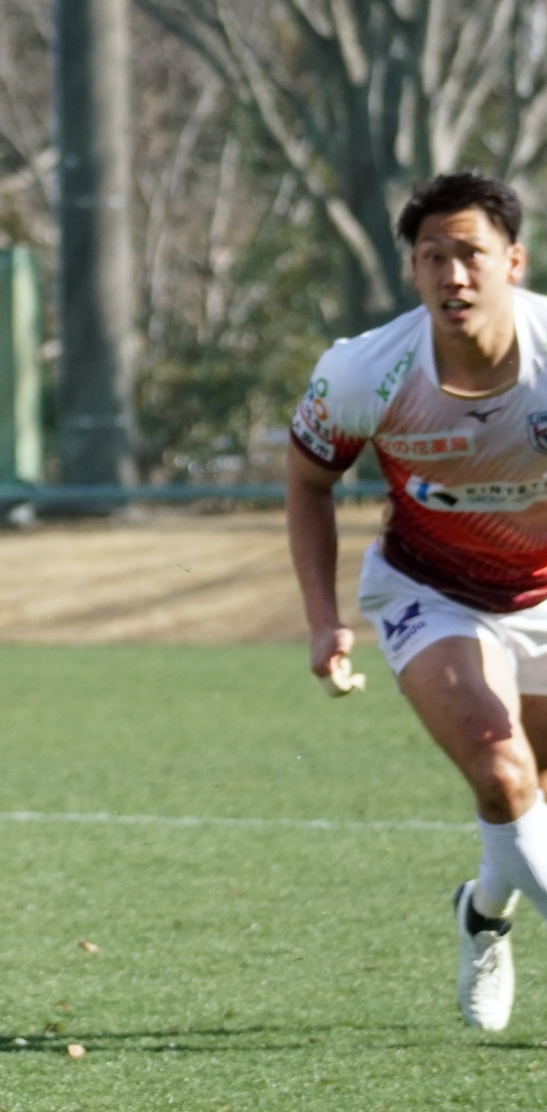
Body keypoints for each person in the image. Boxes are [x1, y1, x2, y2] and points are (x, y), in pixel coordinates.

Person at [289, 170, 547, 1034]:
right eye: (433, 256)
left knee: (526, 794)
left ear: (514, 261)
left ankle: (483, 913)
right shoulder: (366, 370)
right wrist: (323, 618)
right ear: (413, 272)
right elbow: (307, 481)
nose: (453, 274)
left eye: (470, 253)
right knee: (501, 769)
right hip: (429, 592)